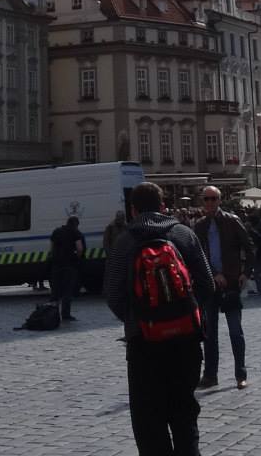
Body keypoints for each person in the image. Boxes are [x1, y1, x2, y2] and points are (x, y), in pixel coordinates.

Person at [106, 181, 214, 456]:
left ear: (133, 210)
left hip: (144, 342)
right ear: (163, 206)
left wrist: (135, 319)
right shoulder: (184, 234)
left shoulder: (124, 241)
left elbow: (113, 294)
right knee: (184, 413)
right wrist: (187, 312)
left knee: (148, 420)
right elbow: (207, 283)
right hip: (186, 340)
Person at [191, 187, 252, 390]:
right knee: (209, 334)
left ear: (219, 200)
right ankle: (210, 375)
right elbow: (197, 256)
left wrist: (246, 273)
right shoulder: (199, 225)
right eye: (206, 199)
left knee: (235, 332)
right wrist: (213, 273)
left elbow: (249, 247)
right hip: (210, 285)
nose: (210, 202)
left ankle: (240, 374)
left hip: (231, 283)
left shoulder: (232, 221)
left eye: (213, 198)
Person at [49, 214, 86, 323]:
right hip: (69, 265)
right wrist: (77, 257)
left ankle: (52, 313)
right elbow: (80, 248)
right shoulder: (76, 233)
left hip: (56, 265)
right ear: (76, 224)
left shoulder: (56, 231)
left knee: (55, 291)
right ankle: (65, 314)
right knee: (67, 290)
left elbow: (51, 248)